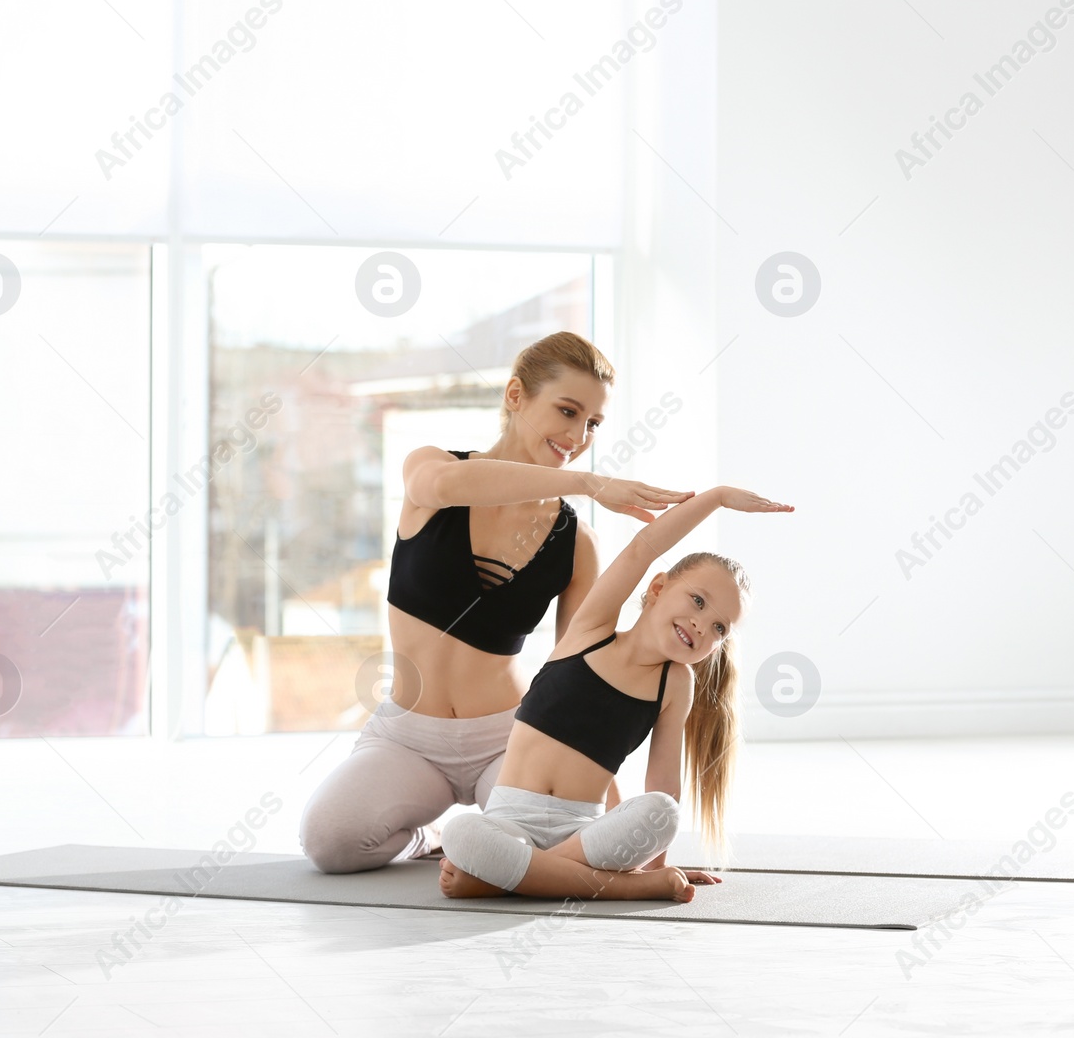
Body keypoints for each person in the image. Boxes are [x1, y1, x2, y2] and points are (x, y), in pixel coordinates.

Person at [299, 332, 695, 873]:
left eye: (593, 424)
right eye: (567, 410)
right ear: (515, 395)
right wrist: (587, 481)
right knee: (330, 843)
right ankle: (431, 837)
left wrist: (605, 804)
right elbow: (444, 485)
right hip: (409, 736)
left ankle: (491, 840)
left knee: (557, 855)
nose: (578, 435)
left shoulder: (577, 544)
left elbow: (579, 674)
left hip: (511, 738)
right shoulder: (433, 470)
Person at [437, 484, 793, 903]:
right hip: (511, 819)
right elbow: (643, 547)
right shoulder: (592, 631)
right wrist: (714, 499)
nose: (702, 626)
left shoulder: (676, 683)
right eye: (698, 601)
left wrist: (659, 862)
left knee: (662, 812)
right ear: (658, 587)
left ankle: (514, 876)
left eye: (719, 628)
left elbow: (662, 783)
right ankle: (619, 887)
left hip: (585, 832)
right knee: (461, 832)